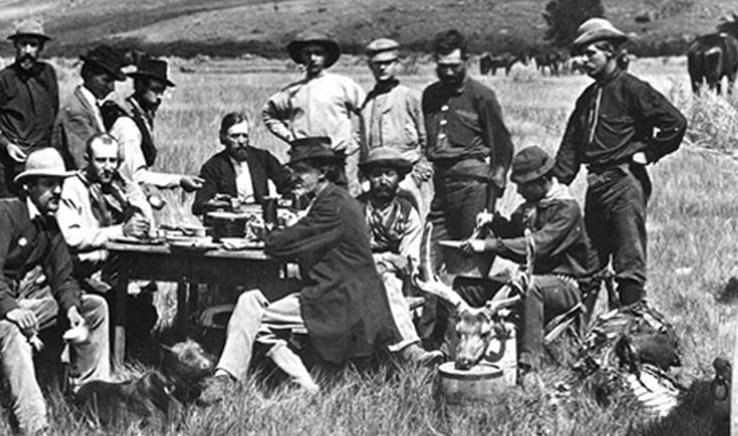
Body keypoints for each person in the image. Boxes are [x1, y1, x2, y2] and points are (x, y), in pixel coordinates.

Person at [200, 137, 399, 398]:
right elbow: (302, 235)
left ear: (322, 173)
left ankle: (306, 386)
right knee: (251, 297)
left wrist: (268, 234)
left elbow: (284, 244)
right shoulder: (332, 199)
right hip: (331, 287)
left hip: (342, 298)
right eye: (294, 171)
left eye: (302, 171)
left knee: (260, 323)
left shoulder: (332, 206)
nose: (295, 177)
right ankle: (225, 375)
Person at [0, 148, 110, 436]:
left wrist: (72, 309)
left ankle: (93, 400)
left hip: (15, 306)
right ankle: (35, 429)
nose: (57, 191)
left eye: (60, 184)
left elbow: (64, 278)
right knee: (12, 330)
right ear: (28, 186)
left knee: (94, 307)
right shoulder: (2, 213)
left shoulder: (49, 226)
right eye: (49, 184)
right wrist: (12, 309)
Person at [553, 18, 687, 307]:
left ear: (610, 52)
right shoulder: (587, 98)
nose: (583, 61)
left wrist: (650, 152)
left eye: (590, 54)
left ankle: (629, 331)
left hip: (624, 184)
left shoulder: (633, 90)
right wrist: (556, 184)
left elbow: (675, 123)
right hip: (596, 185)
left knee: (628, 262)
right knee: (588, 262)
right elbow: (570, 147)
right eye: (581, 55)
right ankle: (582, 336)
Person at [461, 145, 601, 373]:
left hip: (566, 285)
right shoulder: (530, 208)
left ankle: (529, 368)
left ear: (542, 181)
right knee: (468, 289)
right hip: (531, 279)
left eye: (523, 186)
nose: (518, 191)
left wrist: (488, 245)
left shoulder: (567, 210)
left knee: (531, 288)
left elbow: (537, 245)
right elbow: (513, 232)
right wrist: (493, 222)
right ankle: (459, 350)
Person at [421, 28, 513, 287]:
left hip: (473, 186)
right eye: (443, 66)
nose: (449, 72)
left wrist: (493, 195)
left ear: (467, 60)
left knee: (469, 260)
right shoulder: (430, 96)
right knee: (427, 261)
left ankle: (469, 323)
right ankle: (433, 326)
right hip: (441, 185)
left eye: (454, 66)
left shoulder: (481, 96)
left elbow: (503, 147)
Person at [56, 133, 154, 364]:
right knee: (117, 307)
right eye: (101, 161)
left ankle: (123, 363)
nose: (108, 167)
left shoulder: (112, 189)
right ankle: (103, 367)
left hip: (103, 276)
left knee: (144, 310)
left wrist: (130, 186)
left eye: (113, 161)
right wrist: (120, 231)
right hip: (72, 277)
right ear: (87, 159)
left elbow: (145, 224)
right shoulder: (72, 187)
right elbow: (70, 237)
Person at [358, 146, 443, 366]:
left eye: (389, 174)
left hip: (395, 279)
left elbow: (409, 261)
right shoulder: (356, 208)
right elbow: (351, 255)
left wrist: (391, 265)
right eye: (377, 174)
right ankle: (410, 350)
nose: (383, 180)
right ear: (368, 178)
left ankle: (410, 348)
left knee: (388, 281)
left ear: (399, 178)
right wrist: (385, 258)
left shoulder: (407, 213)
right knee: (383, 278)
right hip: (357, 276)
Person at [262, 32, 365, 187]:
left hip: (333, 159)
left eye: (318, 53)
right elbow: (269, 113)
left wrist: (353, 143)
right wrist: (291, 138)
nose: (313, 58)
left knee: (337, 204)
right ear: (301, 56)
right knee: (303, 205)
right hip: (302, 160)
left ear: (326, 56)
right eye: (308, 53)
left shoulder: (342, 85)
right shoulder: (293, 91)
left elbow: (367, 113)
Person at [0, 19, 59, 199]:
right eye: (23, 44)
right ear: (16, 45)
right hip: (10, 171)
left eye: (33, 45)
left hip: (42, 167)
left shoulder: (48, 74)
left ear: (41, 48)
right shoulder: (1, 80)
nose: (28, 51)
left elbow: (53, 117)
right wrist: (7, 145)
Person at [100, 55, 201, 200]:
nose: (160, 97)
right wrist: (178, 180)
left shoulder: (140, 117)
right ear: (140, 86)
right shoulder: (127, 124)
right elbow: (134, 176)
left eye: (163, 91)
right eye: (155, 90)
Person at [360, 37, 430, 216]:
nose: (382, 68)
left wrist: (417, 175)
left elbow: (427, 139)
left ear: (397, 64)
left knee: (414, 227)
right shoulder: (367, 103)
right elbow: (360, 143)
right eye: (377, 64)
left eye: (387, 63)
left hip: (407, 176)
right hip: (376, 180)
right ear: (370, 66)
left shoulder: (411, 97)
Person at [191, 112, 294, 217]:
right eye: (235, 136)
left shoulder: (262, 158)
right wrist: (223, 203)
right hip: (231, 223)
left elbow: (289, 183)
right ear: (223, 137)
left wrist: (286, 202)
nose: (241, 141)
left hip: (261, 220)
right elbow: (199, 205)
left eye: (245, 136)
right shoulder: (213, 167)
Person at [53, 44, 128, 171]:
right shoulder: (76, 111)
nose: (112, 88)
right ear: (88, 74)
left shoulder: (88, 104)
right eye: (106, 80)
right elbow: (85, 165)